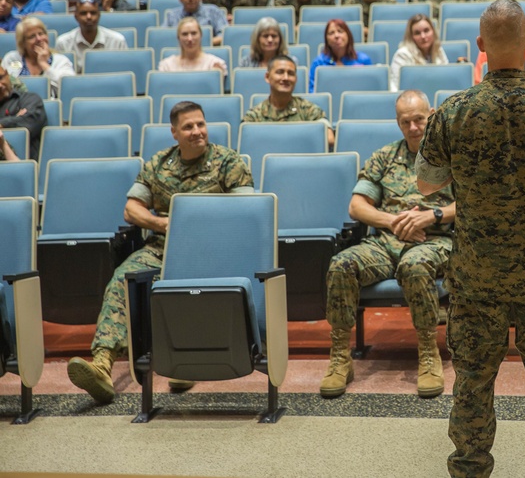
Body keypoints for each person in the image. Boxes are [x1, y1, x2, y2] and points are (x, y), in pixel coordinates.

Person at [415, 0, 525, 478]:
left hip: (478, 276)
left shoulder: (452, 112)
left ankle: (471, 466)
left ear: (480, 47)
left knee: (473, 379)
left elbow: (425, 185)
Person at [66, 100, 253, 404]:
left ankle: (185, 363)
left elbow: (247, 210)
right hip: (163, 248)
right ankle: (101, 366)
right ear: (174, 133)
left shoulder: (227, 161)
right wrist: (160, 223)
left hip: (213, 249)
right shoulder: (158, 164)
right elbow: (131, 209)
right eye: (188, 127)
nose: (197, 131)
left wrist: (194, 224)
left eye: (201, 124)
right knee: (123, 277)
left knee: (191, 290)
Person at [323, 88, 455, 398]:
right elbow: (357, 206)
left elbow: (473, 204)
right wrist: (392, 221)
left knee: (415, 265)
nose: (413, 128)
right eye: (406, 122)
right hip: (386, 241)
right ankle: (341, 357)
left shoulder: (452, 157)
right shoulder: (384, 157)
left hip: (435, 241)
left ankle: (428, 353)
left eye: (419, 120)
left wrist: (431, 216)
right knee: (341, 264)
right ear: (398, 123)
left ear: (432, 116)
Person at [243, 54, 334, 147]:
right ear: (267, 77)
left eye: (290, 73)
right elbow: (246, 145)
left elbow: (329, 139)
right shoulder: (254, 116)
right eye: (280, 72)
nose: (286, 78)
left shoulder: (309, 110)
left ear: (296, 79)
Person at [1, 17, 75, 99]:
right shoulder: (12, 59)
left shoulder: (61, 61)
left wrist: (44, 65)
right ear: (23, 43)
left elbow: (70, 88)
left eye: (41, 34)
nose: (39, 39)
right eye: (32, 36)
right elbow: (4, 83)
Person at [54, 0, 129, 72]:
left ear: (99, 15)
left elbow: (124, 70)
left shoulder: (117, 40)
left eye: (93, 13)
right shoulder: (63, 43)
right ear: (76, 17)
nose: (89, 17)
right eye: (83, 13)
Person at [389, 14, 448, 91]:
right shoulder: (402, 55)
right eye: (417, 33)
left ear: (433, 31)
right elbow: (395, 88)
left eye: (426, 31)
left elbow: (447, 80)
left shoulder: (438, 50)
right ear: (411, 37)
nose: (423, 36)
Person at [308, 18, 372, 91]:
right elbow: (312, 90)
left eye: (340, 31)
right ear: (326, 39)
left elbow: (369, 87)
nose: (336, 36)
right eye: (331, 33)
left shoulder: (363, 60)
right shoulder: (318, 62)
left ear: (348, 35)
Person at [0, 64, 47, 158]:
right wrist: (15, 119)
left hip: (23, 164)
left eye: (1, 77)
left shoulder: (29, 99)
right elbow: (21, 121)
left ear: (8, 75)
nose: (0, 85)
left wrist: (3, 123)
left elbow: (31, 121)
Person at [164, 0, 229, 45]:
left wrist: (199, 44)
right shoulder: (171, 15)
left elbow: (224, 36)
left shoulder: (213, 11)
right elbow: (162, 38)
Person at [158, 18, 227, 76]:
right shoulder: (166, 66)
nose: (190, 39)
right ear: (178, 38)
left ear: (201, 35)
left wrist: (216, 75)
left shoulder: (214, 64)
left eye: (194, 33)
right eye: (185, 34)